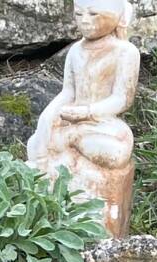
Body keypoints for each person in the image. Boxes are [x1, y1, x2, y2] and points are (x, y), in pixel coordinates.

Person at [27, 0, 140, 236]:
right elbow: (68, 92)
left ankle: (72, 139)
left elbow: (122, 99)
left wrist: (88, 112)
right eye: (79, 14)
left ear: (114, 15)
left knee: (117, 152)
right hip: (73, 119)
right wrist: (47, 117)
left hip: (103, 125)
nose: (84, 20)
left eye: (93, 13)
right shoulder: (76, 51)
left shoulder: (125, 52)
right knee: (36, 144)